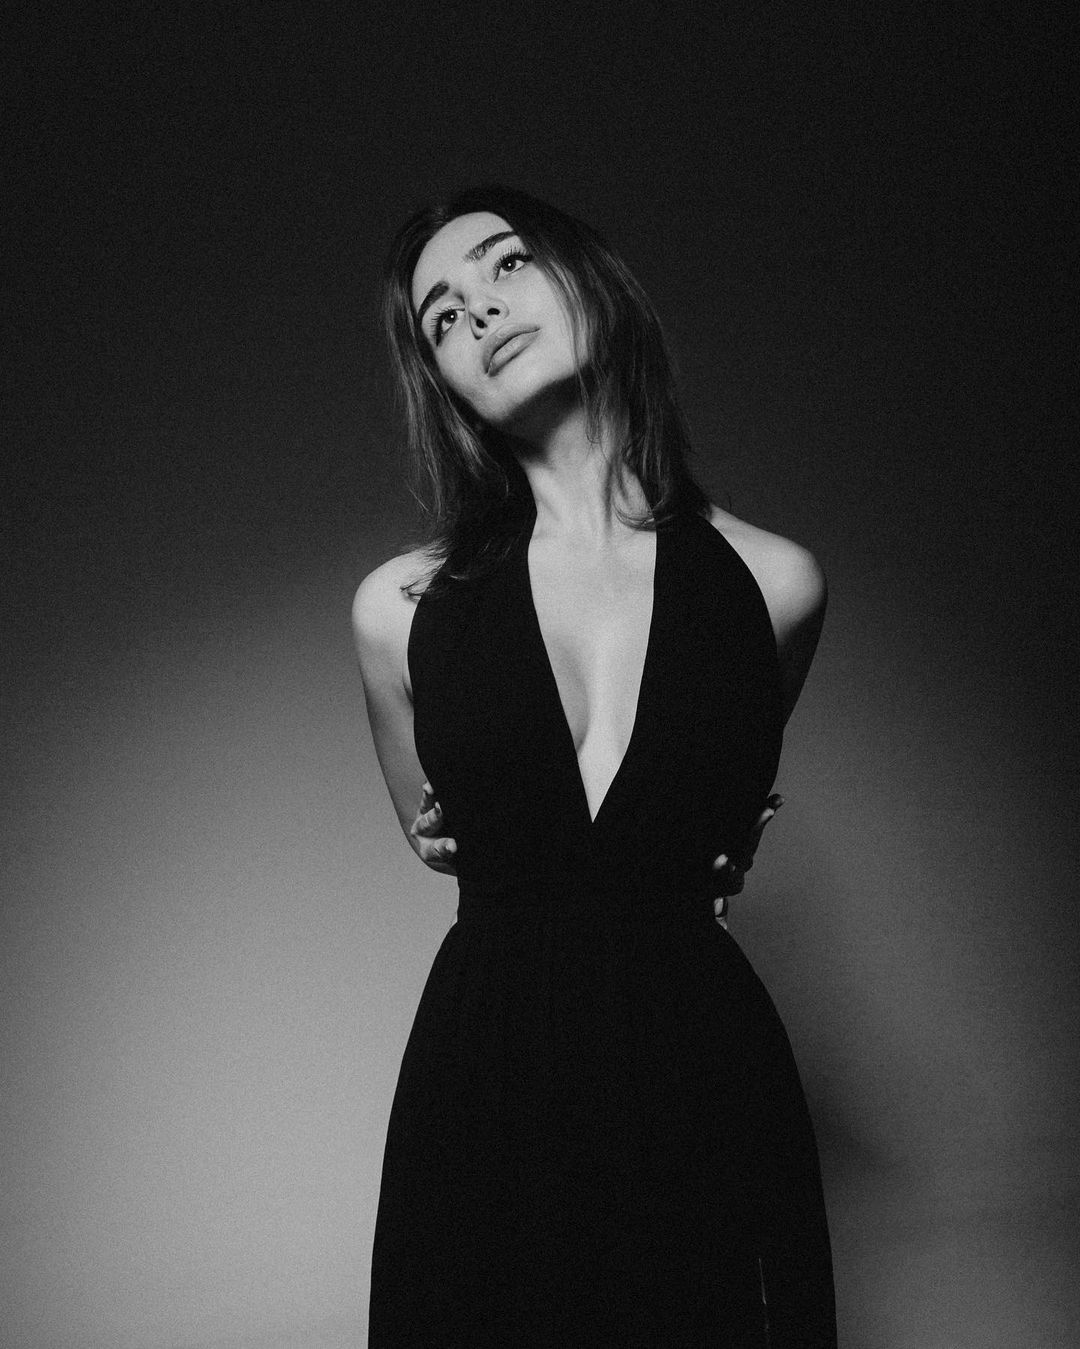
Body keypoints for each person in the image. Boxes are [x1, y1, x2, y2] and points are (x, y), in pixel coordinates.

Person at [352, 183, 836, 1346]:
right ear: (441, 380)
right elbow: (437, 834)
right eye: (441, 315)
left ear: (590, 281)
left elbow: (713, 809)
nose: (476, 310)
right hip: (487, 1078)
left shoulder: (778, 583)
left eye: (506, 264)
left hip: (700, 1070)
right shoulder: (398, 608)